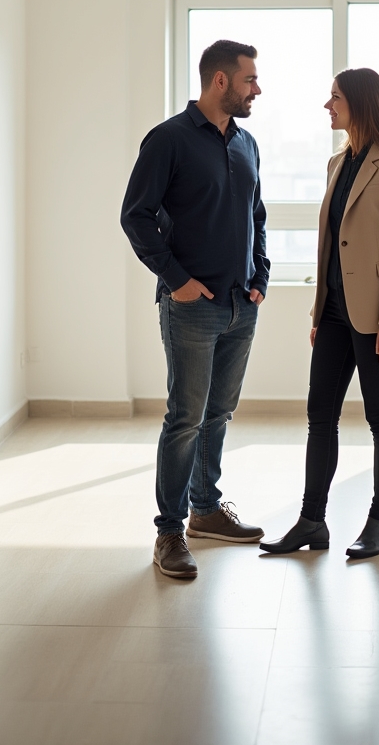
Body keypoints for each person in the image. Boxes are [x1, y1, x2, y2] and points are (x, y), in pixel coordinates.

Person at [121, 40, 270, 579]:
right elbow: (134, 216)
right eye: (250, 79)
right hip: (190, 307)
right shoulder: (168, 140)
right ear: (221, 82)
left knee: (218, 413)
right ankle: (169, 532)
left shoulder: (247, 143)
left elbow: (258, 214)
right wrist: (177, 280)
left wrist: (261, 276)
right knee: (185, 418)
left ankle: (206, 510)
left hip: (240, 305)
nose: (258, 89)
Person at [260, 68, 379, 560]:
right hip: (331, 311)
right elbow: (333, 243)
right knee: (319, 416)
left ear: (360, 103)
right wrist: (316, 312)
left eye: (334, 98)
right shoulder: (336, 162)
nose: (327, 106)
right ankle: (313, 521)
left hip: (377, 318)